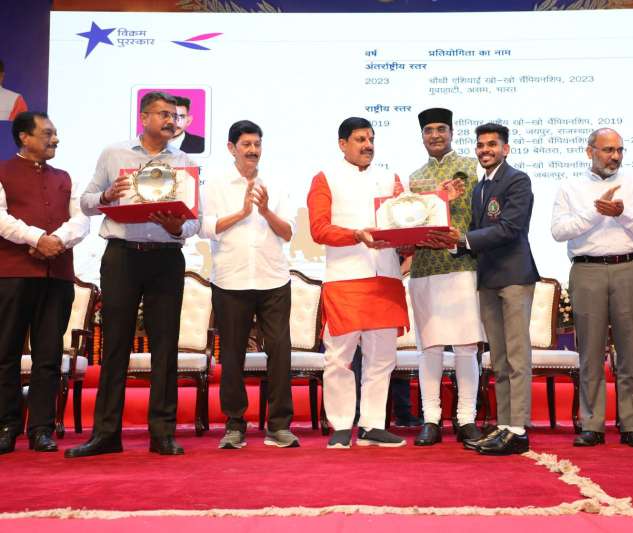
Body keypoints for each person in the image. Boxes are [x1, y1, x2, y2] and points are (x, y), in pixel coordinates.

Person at [66, 92, 199, 458]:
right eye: (164, 114)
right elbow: (86, 202)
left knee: (165, 347)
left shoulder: (185, 162)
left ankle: (162, 433)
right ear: (144, 118)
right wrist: (107, 196)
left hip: (166, 259)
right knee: (115, 346)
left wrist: (177, 227)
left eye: (175, 116)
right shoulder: (114, 154)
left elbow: (195, 223)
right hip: (122, 257)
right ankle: (106, 434)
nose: (171, 121)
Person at [431, 123, 538, 455]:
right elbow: (476, 233)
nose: (485, 150)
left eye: (492, 144)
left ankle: (518, 430)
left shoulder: (518, 180)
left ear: (505, 149)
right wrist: (452, 242)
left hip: (515, 277)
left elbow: (510, 228)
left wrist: (463, 239)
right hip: (488, 279)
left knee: (517, 357)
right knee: (500, 360)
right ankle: (505, 425)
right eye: (480, 145)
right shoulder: (479, 188)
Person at [551, 128, 633, 448]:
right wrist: (595, 212)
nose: (615, 156)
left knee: (629, 352)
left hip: (629, 268)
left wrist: (622, 214)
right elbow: (558, 231)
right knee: (590, 352)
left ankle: (632, 425)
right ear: (590, 152)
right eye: (608, 150)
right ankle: (592, 424)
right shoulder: (570, 186)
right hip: (587, 271)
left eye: (619, 150)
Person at [307, 116, 409, 449]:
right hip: (345, 278)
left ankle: (372, 425)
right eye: (360, 139)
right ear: (343, 144)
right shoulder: (325, 178)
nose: (368, 145)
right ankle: (340, 425)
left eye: (371, 139)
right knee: (339, 357)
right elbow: (319, 229)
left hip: (386, 276)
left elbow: (403, 222)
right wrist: (356, 235)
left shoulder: (391, 179)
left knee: (383, 357)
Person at [199, 120, 298, 450]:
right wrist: (242, 213)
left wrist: (265, 210)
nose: (253, 150)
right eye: (246, 144)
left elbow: (288, 232)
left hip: (273, 279)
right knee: (231, 354)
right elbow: (206, 228)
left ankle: (279, 425)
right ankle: (234, 424)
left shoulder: (276, 183)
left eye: (257, 144)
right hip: (231, 280)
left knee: (280, 352)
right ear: (232, 148)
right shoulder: (214, 184)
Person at [0, 112, 88, 454]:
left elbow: (81, 220)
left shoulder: (65, 177)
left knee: (48, 355)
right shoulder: (3, 171)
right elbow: (1, 218)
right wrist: (36, 239)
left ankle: (41, 428)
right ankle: (6, 426)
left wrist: (56, 241)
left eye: (55, 133)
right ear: (24, 137)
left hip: (57, 275)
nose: (55, 139)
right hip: (13, 274)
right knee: (5, 353)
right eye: (48, 133)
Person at [406, 107, 484, 446]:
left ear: (452, 132)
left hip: (463, 266)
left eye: (441, 129)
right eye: (429, 130)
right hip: (425, 269)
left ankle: (466, 418)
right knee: (430, 348)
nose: (435, 135)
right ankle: (431, 419)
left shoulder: (472, 168)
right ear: (422, 136)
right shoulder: (414, 179)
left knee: (466, 346)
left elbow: (480, 219)